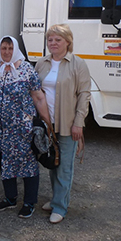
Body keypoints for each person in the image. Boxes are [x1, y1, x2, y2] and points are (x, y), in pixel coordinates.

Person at [0, 36, 51, 219]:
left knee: (27, 163)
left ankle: (29, 202)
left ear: (16, 49)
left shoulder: (26, 69)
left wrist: (47, 121)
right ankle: (10, 198)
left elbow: (38, 97)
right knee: (5, 162)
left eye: (10, 48)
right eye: (4, 48)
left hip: (21, 127)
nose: (7, 52)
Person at [35, 24, 91, 224]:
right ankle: (56, 199)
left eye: (57, 40)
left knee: (64, 167)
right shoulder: (41, 63)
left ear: (68, 42)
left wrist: (78, 123)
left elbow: (84, 95)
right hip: (47, 124)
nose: (53, 43)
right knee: (53, 162)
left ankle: (60, 206)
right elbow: (34, 90)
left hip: (67, 124)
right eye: (50, 39)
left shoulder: (78, 64)